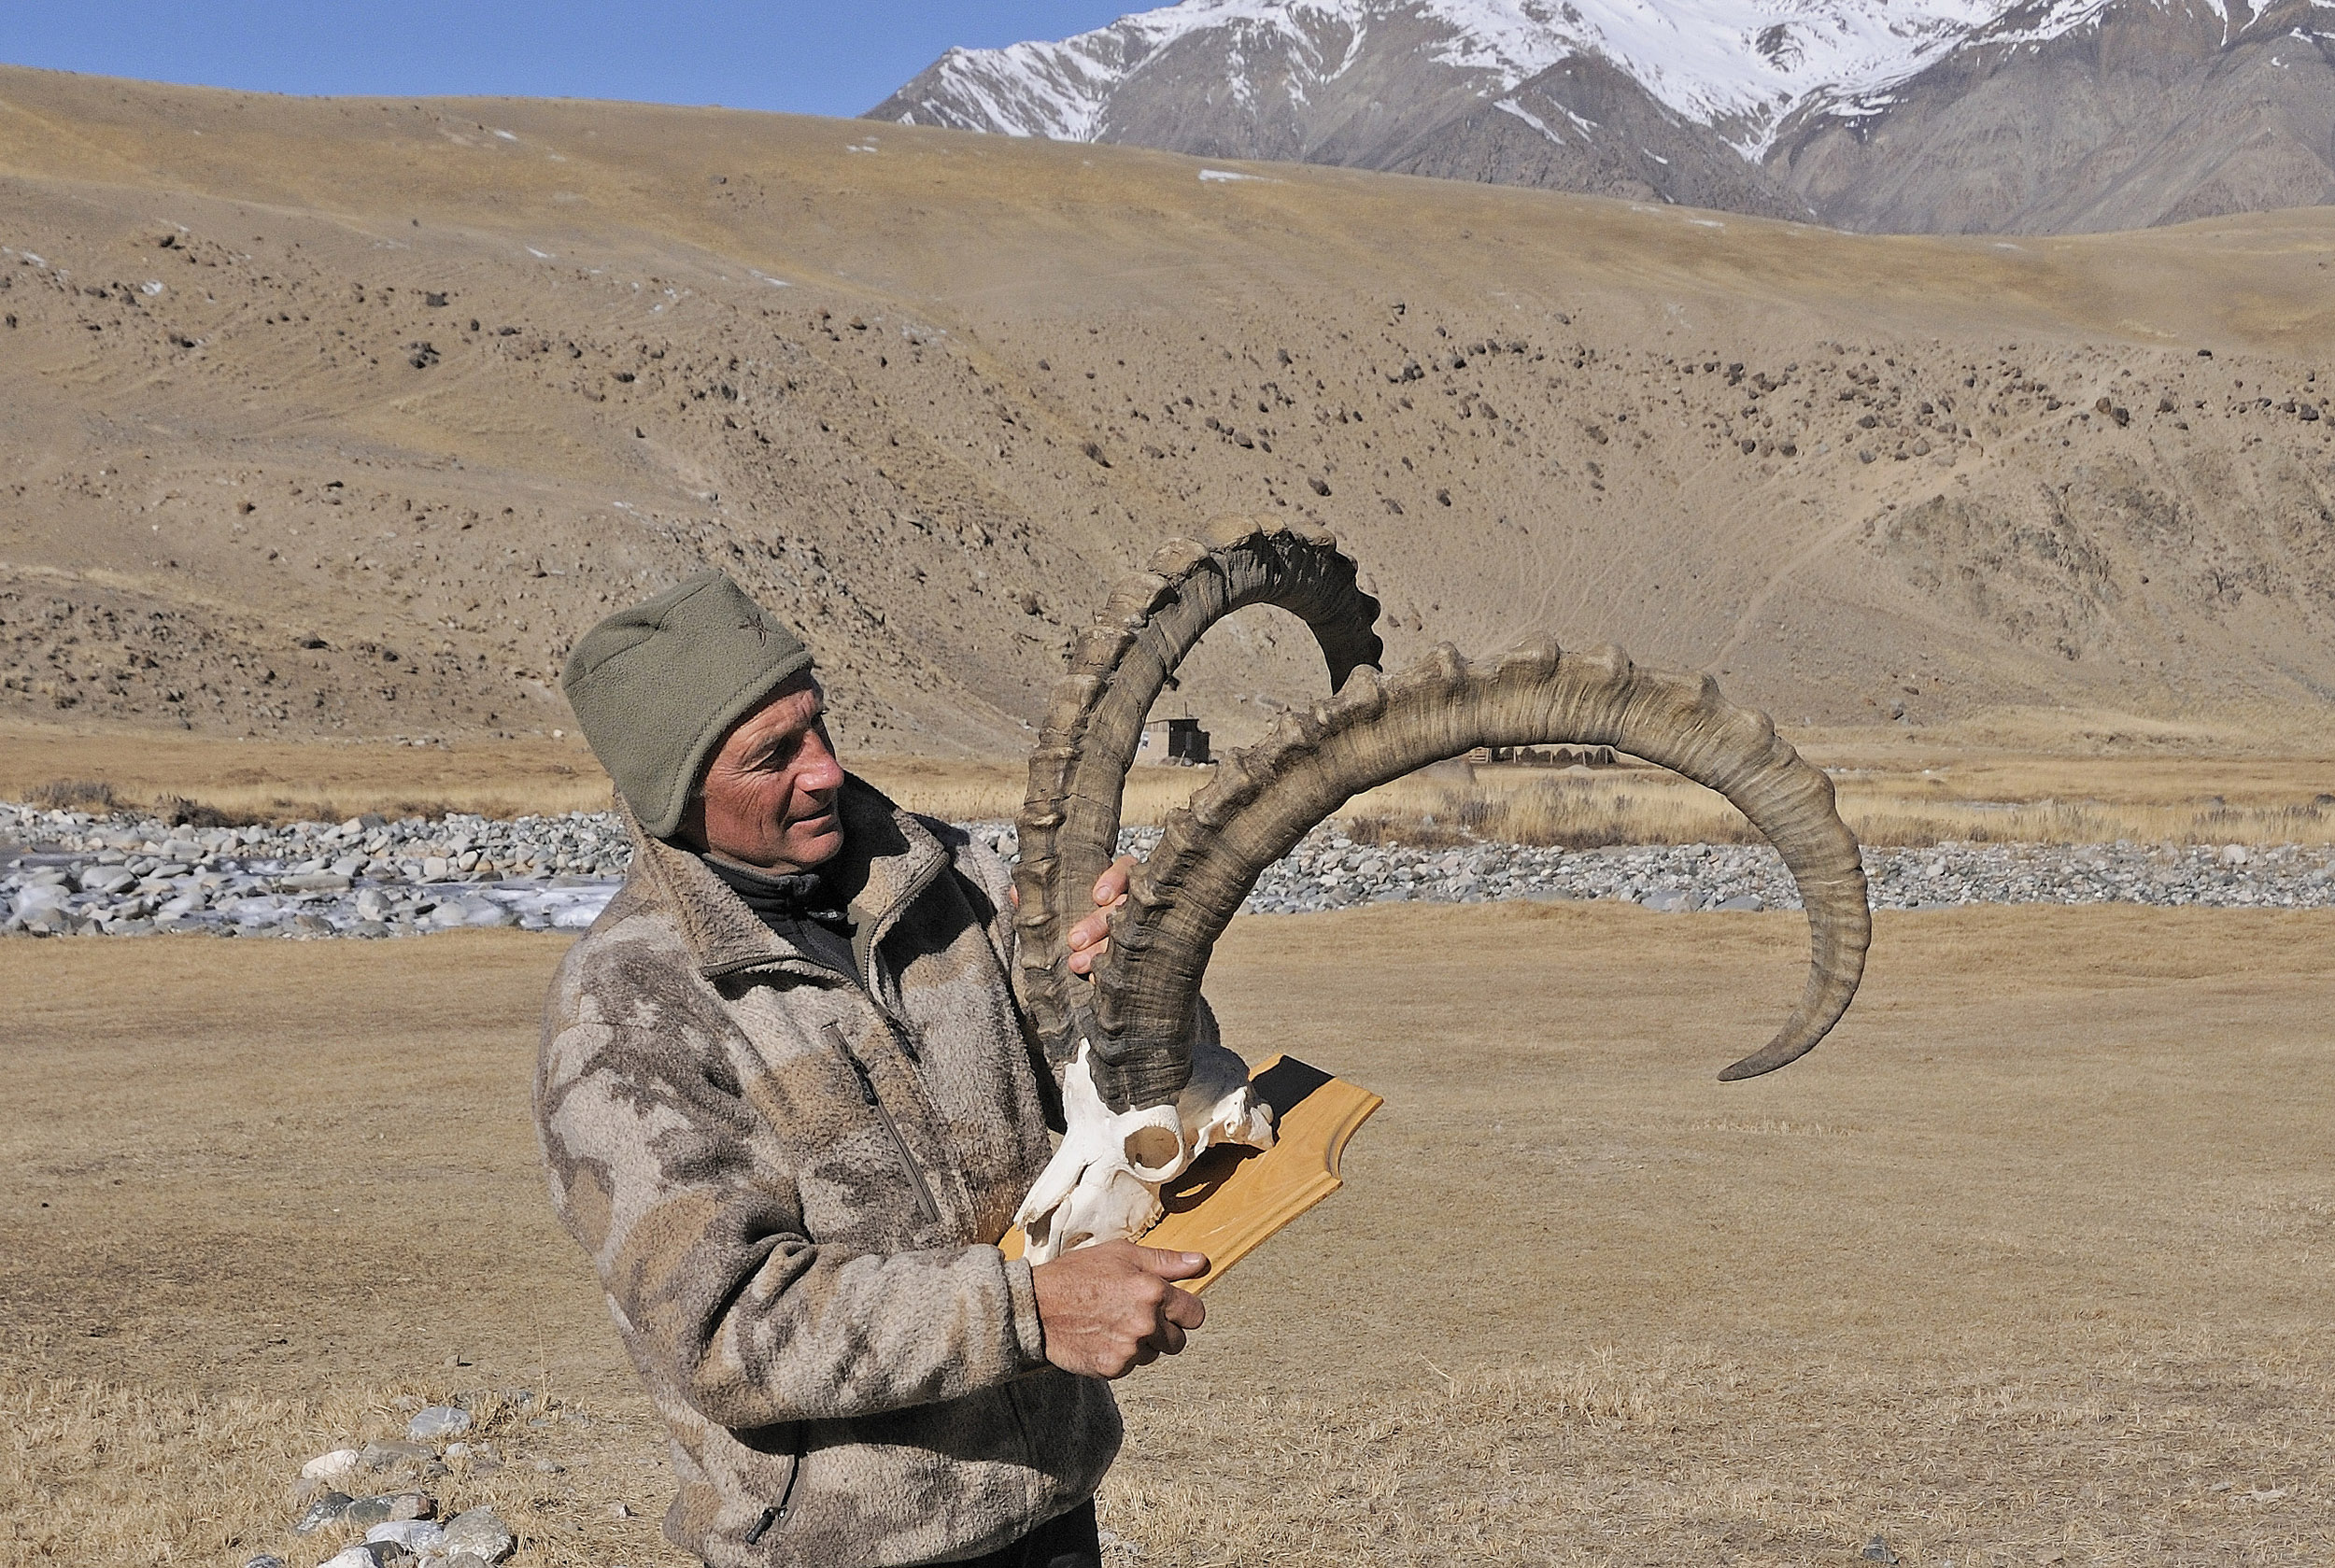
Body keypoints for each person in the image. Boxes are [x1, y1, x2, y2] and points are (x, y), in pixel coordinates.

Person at [539, 570, 1208, 1568]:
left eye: (817, 725)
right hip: (838, 1546)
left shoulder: (952, 881)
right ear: (678, 792)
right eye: (774, 755)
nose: (823, 768)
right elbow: (733, 1329)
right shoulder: (628, 1013)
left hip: (1051, 1504)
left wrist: (1134, 985)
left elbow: (1121, 1097)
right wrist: (1033, 1310)